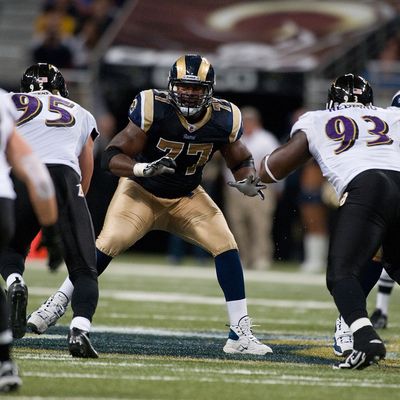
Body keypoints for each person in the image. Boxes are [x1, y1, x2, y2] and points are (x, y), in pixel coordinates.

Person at [28, 54, 272, 355]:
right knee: (107, 243)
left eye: (196, 89)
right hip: (141, 192)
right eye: (184, 87)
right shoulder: (153, 107)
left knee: (227, 246)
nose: (190, 93)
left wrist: (248, 178)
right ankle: (59, 301)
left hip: (187, 196)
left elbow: (241, 159)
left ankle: (240, 334)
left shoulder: (225, 117)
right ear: (171, 86)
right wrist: (142, 169)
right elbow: (112, 155)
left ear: (209, 90)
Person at [259, 73, 400, 370]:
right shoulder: (391, 115)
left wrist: (256, 177)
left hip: (367, 185)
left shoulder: (316, 119)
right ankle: (356, 331)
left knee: (340, 274)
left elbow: (278, 166)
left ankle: (363, 337)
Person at [0, 63, 100, 358]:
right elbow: (86, 167)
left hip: (20, 175)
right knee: (83, 267)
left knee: (11, 248)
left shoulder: (9, 102)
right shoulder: (79, 112)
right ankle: (79, 331)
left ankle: (15, 280)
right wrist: (76, 203)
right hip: (64, 178)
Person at [0, 89, 59, 392]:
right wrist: (50, 229)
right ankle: (5, 363)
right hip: (4, 201)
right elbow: (35, 172)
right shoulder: (2, 102)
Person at [224, 106, 280, 270]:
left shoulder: (266, 139)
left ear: (256, 122)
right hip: (235, 190)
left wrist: (277, 188)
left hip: (259, 188)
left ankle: (261, 258)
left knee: (260, 224)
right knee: (237, 225)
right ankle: (243, 257)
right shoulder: (234, 138)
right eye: (244, 121)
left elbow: (274, 166)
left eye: (249, 121)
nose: (246, 124)